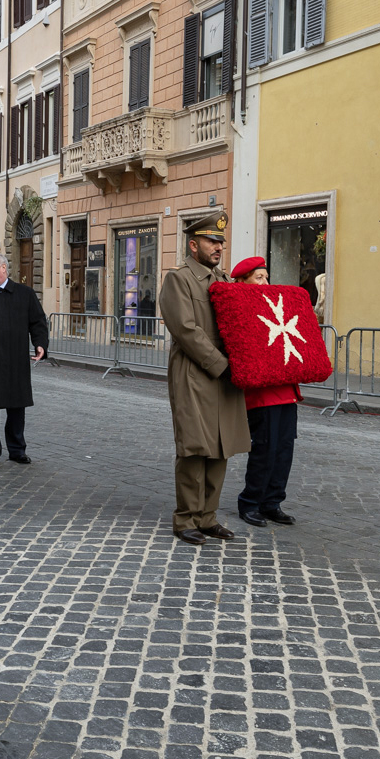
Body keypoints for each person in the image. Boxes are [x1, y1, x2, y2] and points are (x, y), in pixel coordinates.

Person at [159, 212, 250, 545]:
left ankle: (208, 517)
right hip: (195, 373)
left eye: (221, 242)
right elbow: (185, 329)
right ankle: (186, 519)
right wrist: (221, 363)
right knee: (195, 447)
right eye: (212, 241)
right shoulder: (178, 279)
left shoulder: (224, 280)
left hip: (225, 375)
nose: (219, 247)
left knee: (221, 447)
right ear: (193, 244)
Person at [227, 257, 299, 528]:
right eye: (259, 277)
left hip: (285, 388)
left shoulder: (274, 305)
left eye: (266, 277)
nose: (265, 283)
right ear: (242, 281)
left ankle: (272, 502)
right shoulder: (241, 307)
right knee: (265, 448)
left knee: (284, 448)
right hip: (262, 392)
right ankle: (250, 502)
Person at [0, 251, 49, 467]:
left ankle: (16, 449)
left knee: (16, 408)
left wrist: (40, 343)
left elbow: (38, 322)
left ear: (3, 268)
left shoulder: (24, 294)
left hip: (15, 361)